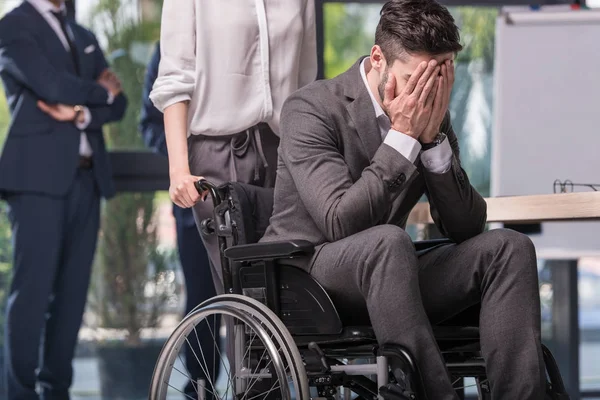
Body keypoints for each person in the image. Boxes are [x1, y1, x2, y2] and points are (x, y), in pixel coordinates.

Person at [261, 0, 545, 399]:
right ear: (378, 58)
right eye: (416, 79)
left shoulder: (429, 116)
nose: (426, 94)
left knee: (508, 247)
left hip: (389, 275)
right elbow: (339, 222)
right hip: (311, 273)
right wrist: (404, 137)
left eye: (439, 79)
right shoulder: (311, 108)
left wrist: (432, 144)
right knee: (389, 242)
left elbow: (465, 226)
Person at [0, 0, 127, 398]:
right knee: (31, 297)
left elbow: (119, 103)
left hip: (87, 182)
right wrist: (98, 93)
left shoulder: (83, 35)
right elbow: (49, 84)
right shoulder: (12, 25)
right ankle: (19, 394)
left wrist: (80, 113)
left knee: (71, 301)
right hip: (36, 181)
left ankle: (56, 391)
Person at [149, 0, 317, 293]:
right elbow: (174, 80)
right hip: (218, 155)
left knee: (293, 288)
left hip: (285, 152)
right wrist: (178, 171)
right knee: (244, 294)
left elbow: (305, 80)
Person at [139, 41, 220, 398]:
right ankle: (199, 387)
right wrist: (187, 160)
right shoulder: (171, 45)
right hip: (194, 198)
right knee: (201, 300)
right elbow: (149, 123)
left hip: (251, 185)